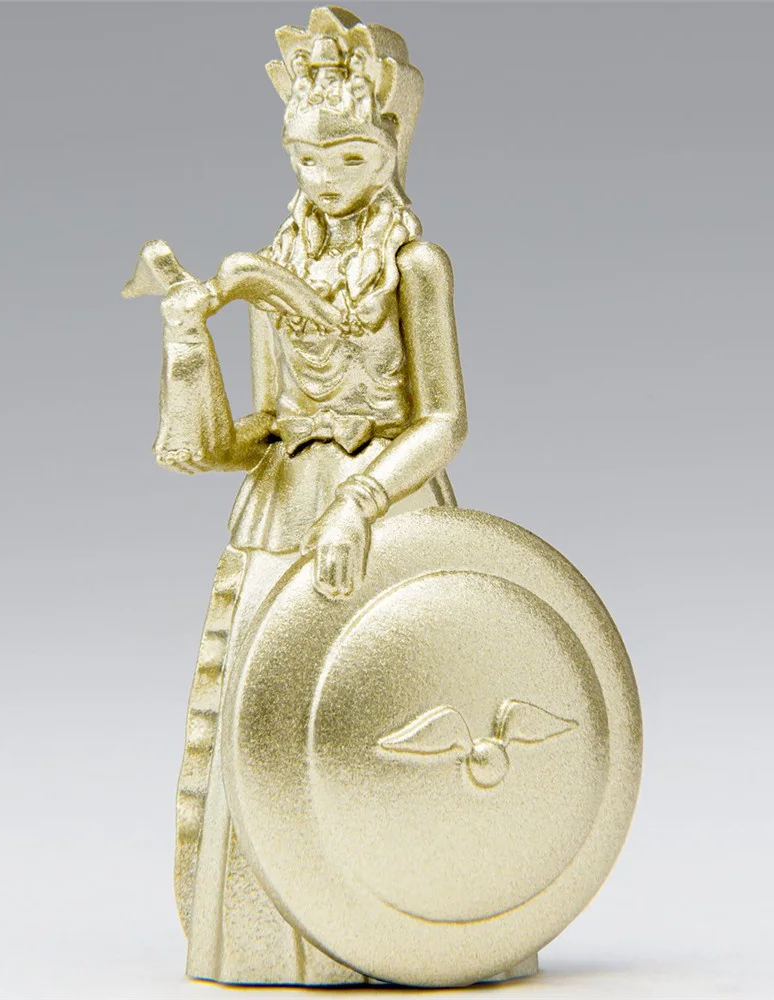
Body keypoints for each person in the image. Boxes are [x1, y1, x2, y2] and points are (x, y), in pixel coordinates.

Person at [156, 12, 466, 985]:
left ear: (392, 147)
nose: (325, 177)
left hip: (383, 512)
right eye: (306, 158)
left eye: (350, 156)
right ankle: (274, 940)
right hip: (282, 511)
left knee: (399, 718)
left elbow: (444, 418)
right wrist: (187, 350)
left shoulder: (416, 266)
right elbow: (252, 436)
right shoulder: (275, 265)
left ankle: (418, 924)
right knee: (264, 722)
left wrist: (361, 500)